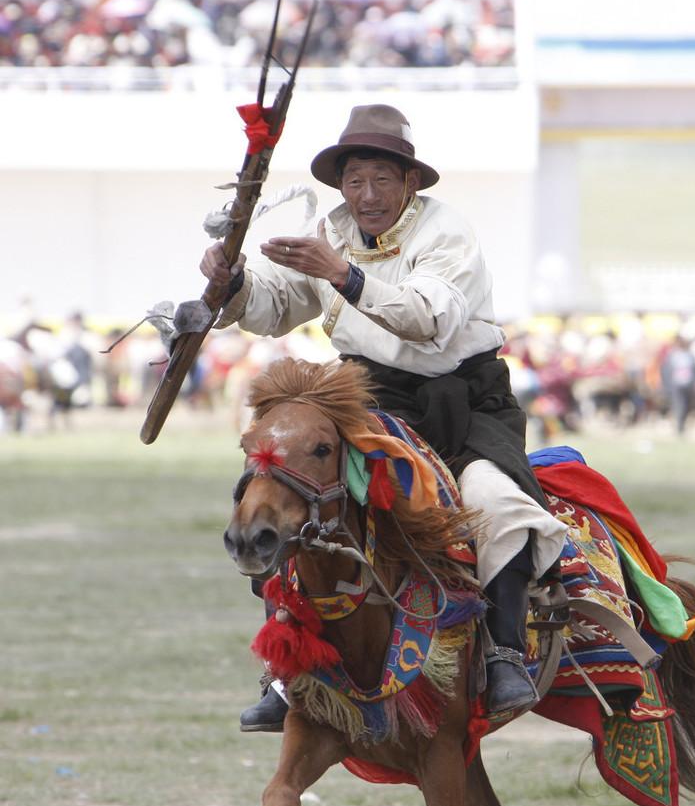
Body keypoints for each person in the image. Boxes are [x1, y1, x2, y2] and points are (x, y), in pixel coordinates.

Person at [201, 104, 567, 730]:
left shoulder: (446, 233)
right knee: (299, 497)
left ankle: (505, 654)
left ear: (409, 183)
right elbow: (277, 303)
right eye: (355, 180)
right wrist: (230, 284)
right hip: (370, 402)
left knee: (494, 500)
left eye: (382, 180)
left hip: (466, 402)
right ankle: (286, 674)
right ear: (341, 184)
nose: (367, 195)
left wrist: (341, 274)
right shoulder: (331, 230)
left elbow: (429, 319)